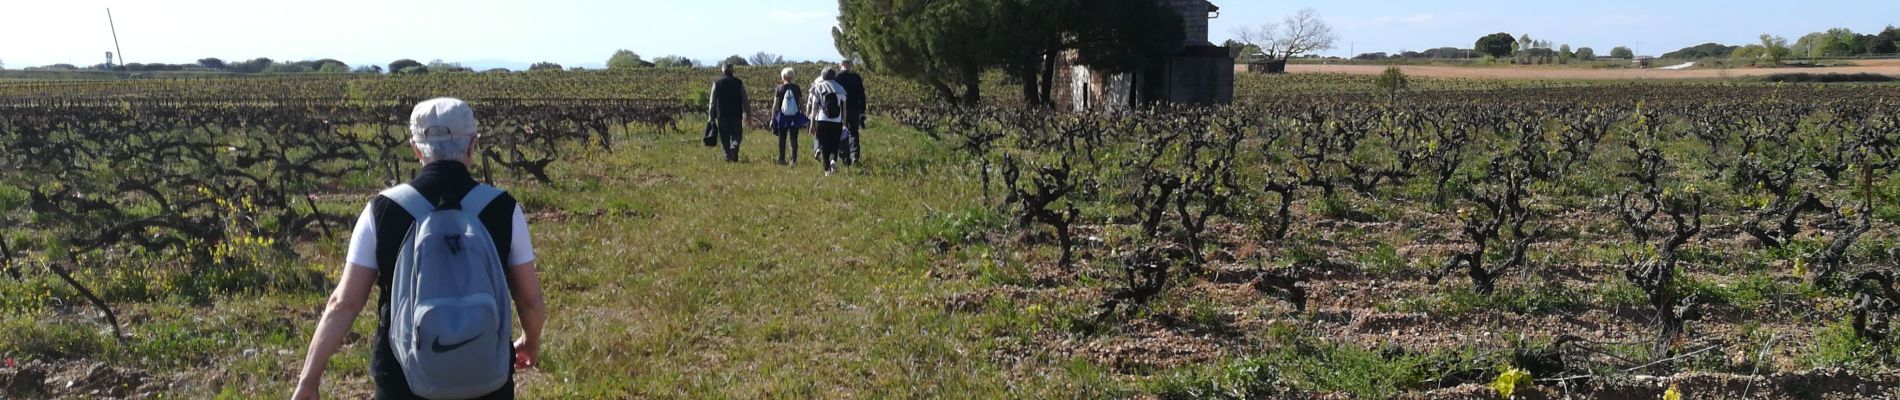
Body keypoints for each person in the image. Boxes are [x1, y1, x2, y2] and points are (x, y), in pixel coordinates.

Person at [294, 98, 547, 400]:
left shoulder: (382, 209)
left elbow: (343, 303)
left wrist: (309, 380)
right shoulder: (504, 208)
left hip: (402, 380)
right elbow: (529, 301)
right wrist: (529, 342)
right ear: (472, 145)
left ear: (416, 149)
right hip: (487, 378)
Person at [808, 67, 850, 176]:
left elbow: (814, 109)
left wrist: (812, 124)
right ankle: (833, 160)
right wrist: (844, 124)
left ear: (823, 76)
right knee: (834, 144)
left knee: (823, 145)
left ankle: (827, 170)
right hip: (837, 121)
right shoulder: (840, 89)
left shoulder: (817, 87)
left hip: (822, 120)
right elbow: (844, 109)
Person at [708, 62, 750, 162]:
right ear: (732, 71)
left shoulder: (717, 83)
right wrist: (748, 112)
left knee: (724, 136)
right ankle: (734, 148)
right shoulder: (738, 83)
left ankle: (727, 155)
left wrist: (711, 117)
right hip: (736, 114)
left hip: (721, 114)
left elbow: (712, 102)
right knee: (737, 135)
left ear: (723, 70)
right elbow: (745, 99)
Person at [770, 67, 809, 166]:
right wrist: (804, 114)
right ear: (792, 76)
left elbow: (775, 104)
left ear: (783, 76)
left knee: (782, 138)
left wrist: (772, 118)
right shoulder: (796, 88)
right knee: (794, 138)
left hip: (782, 116)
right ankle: (793, 160)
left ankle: (782, 158)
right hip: (794, 116)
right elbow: (801, 103)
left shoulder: (779, 88)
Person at [834, 60, 867, 165]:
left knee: (841, 132)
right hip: (854, 109)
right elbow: (862, 95)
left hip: (840, 109)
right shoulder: (856, 77)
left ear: (841, 65)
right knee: (854, 132)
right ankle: (854, 156)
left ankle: (845, 157)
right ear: (850, 66)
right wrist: (862, 111)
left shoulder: (837, 77)